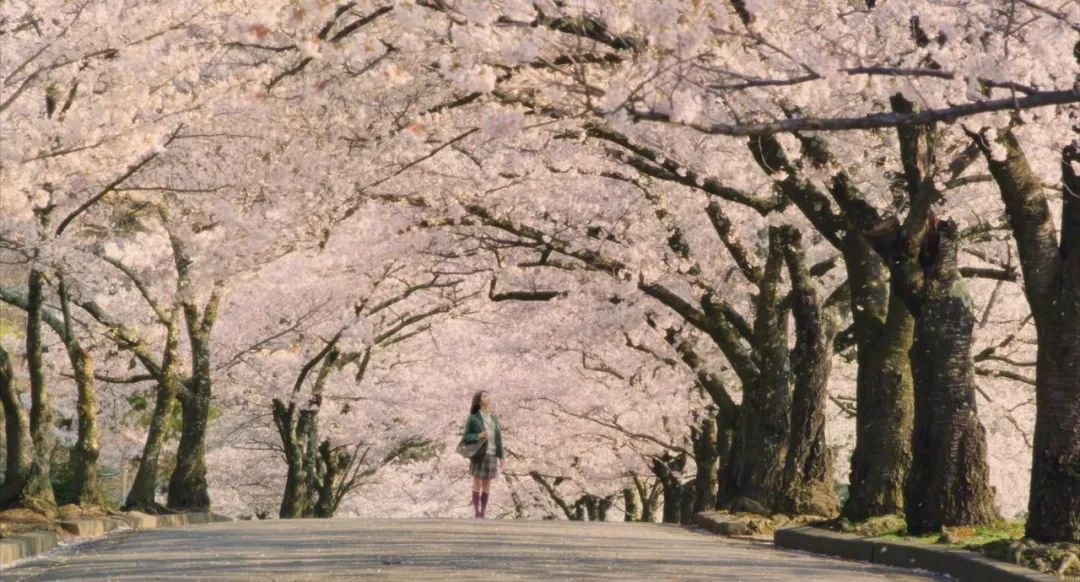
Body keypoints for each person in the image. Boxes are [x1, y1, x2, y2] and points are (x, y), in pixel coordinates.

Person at [461, 390, 505, 519]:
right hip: (479, 453)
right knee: (477, 483)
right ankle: (477, 511)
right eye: (484, 396)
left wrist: (501, 456)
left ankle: (483, 512)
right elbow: (466, 437)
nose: (488, 398)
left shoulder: (494, 418)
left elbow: (499, 438)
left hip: (492, 453)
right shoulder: (473, 417)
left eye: (488, 396)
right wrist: (478, 435)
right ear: (479, 401)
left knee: (487, 484)